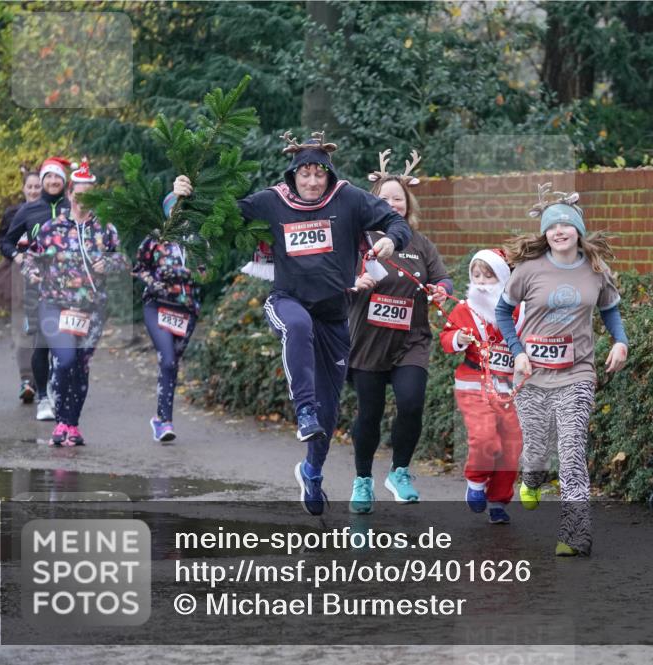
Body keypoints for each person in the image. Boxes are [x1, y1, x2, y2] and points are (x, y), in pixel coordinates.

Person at [171, 131, 411, 516]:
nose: (313, 182)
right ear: (293, 176)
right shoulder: (272, 201)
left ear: (328, 175)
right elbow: (223, 214)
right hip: (287, 301)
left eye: (319, 174)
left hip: (334, 314)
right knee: (297, 328)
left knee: (330, 412)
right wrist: (184, 194)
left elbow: (394, 220)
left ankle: (311, 470)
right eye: (305, 175)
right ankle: (303, 410)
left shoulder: (348, 198)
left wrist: (391, 241)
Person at [494, 184, 629, 556]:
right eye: (552, 227)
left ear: (578, 230)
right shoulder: (527, 270)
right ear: (545, 234)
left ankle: (575, 535)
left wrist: (620, 342)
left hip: (577, 373)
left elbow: (610, 310)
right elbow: (503, 312)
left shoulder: (597, 270)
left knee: (570, 451)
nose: (559, 231)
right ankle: (532, 477)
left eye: (566, 225)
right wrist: (517, 351)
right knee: (536, 450)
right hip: (532, 375)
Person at [346, 149, 452, 513]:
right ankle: (362, 481)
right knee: (369, 415)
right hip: (368, 340)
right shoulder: (358, 238)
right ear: (372, 203)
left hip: (411, 340)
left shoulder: (420, 243)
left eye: (398, 198)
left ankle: (400, 471)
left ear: (408, 205)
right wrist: (353, 281)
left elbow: (442, 278)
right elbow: (337, 275)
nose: (392, 203)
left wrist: (443, 290)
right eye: (385, 198)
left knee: (410, 403)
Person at [20, 158, 129, 446]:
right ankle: (59, 423)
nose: (83, 199)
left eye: (90, 194)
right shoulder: (52, 227)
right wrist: (31, 272)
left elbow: (124, 260)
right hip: (54, 304)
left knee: (80, 365)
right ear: (70, 194)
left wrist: (109, 263)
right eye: (79, 193)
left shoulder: (105, 228)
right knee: (64, 359)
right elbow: (30, 257)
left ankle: (72, 424)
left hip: (91, 309)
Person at [439, 248, 524, 524]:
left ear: (502, 278)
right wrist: (459, 339)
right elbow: (446, 339)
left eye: (488, 276)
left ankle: (498, 500)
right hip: (472, 381)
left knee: (511, 444)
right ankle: (476, 482)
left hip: (508, 385)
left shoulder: (519, 311)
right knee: (485, 437)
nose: (481, 282)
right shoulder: (465, 308)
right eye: (476, 276)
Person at [1, 156, 74, 422]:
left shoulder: (72, 206)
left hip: (69, 287)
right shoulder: (29, 210)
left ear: (64, 181)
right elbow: (6, 243)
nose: (53, 181)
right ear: (42, 181)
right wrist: (18, 256)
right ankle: (43, 397)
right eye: (48, 177)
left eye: (57, 177)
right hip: (38, 286)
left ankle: (58, 390)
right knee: (42, 343)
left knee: (65, 344)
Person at [131, 193, 202, 442]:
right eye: (175, 209)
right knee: (168, 360)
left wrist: (196, 273)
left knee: (171, 364)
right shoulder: (155, 238)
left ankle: (159, 418)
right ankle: (165, 421)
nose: (179, 214)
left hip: (187, 310)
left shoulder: (198, 239)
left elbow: (207, 271)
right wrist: (156, 283)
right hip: (158, 305)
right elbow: (139, 268)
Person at [0, 166, 42, 404]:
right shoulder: (13, 213)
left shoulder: (52, 212)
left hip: (47, 276)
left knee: (46, 330)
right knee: (22, 328)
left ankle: (46, 380)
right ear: (23, 189)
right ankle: (26, 380)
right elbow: (2, 241)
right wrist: (15, 254)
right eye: (29, 187)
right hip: (18, 275)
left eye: (37, 187)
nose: (33, 191)